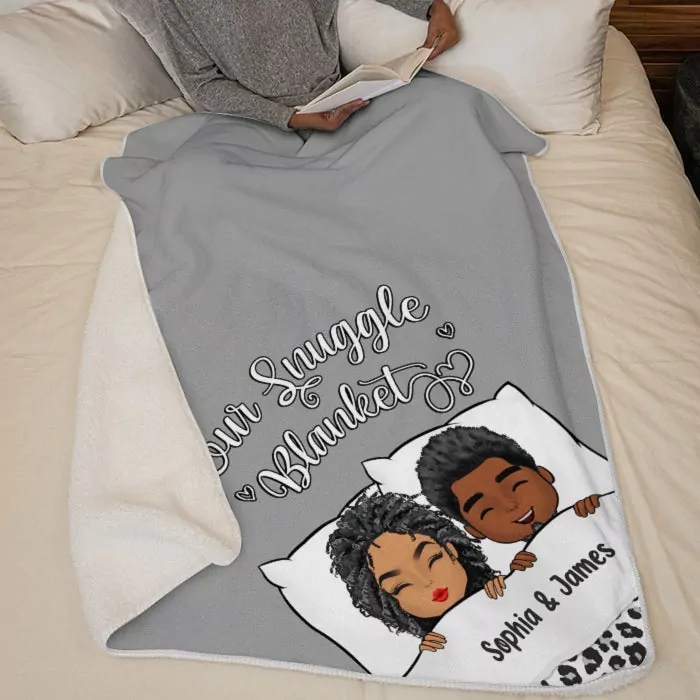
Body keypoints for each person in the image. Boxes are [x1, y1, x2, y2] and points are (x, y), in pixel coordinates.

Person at [153, 0, 460, 132]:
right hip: (258, 125)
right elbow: (201, 83)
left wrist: (432, 7)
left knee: (452, 108)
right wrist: (289, 118)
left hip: (342, 96)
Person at [327, 492, 507, 653]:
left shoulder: (508, 588)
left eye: (432, 560)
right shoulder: (433, 655)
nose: (425, 581)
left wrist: (513, 586)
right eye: (401, 585)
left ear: (451, 550)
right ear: (386, 601)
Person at [416, 426, 603, 570]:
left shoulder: (594, 513)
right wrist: (521, 579)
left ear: (544, 474)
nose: (509, 504)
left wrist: (603, 511)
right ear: (475, 531)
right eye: (486, 510)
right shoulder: (525, 569)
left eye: (516, 485)